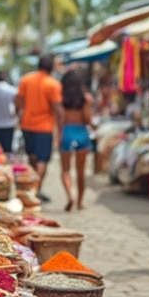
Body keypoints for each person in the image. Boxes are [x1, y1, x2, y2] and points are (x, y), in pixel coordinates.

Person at [16, 55, 63, 202]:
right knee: (43, 159)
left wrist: (21, 112)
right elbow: (57, 107)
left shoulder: (26, 80)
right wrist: (60, 127)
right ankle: (36, 189)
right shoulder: (53, 84)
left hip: (27, 123)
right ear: (51, 68)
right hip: (44, 126)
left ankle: (31, 188)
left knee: (32, 157)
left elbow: (18, 100)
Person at [58, 69, 94, 211]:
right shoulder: (86, 98)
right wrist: (94, 125)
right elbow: (87, 118)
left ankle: (69, 196)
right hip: (81, 134)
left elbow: (59, 119)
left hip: (66, 133)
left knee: (65, 170)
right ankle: (80, 202)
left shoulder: (60, 98)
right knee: (81, 172)